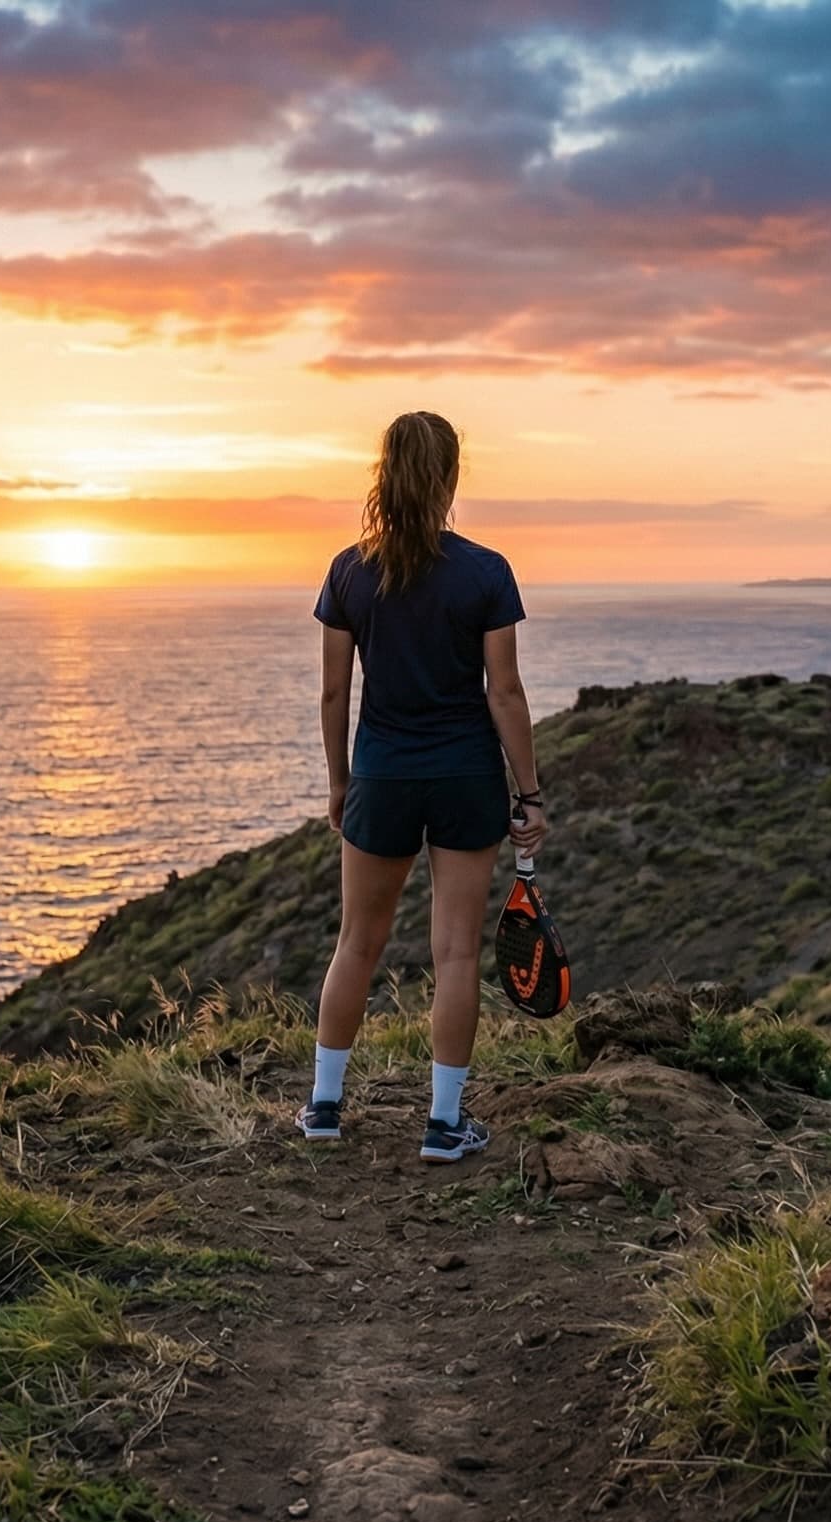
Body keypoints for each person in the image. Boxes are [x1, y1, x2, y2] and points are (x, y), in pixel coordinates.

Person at [300, 410, 546, 1161]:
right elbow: (503, 692)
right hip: (466, 776)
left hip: (381, 773)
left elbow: (335, 695)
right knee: (455, 955)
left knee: (357, 944)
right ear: (450, 476)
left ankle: (324, 1108)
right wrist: (529, 795)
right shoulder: (485, 571)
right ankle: (443, 1126)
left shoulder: (349, 569)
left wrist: (341, 783)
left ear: (385, 473)